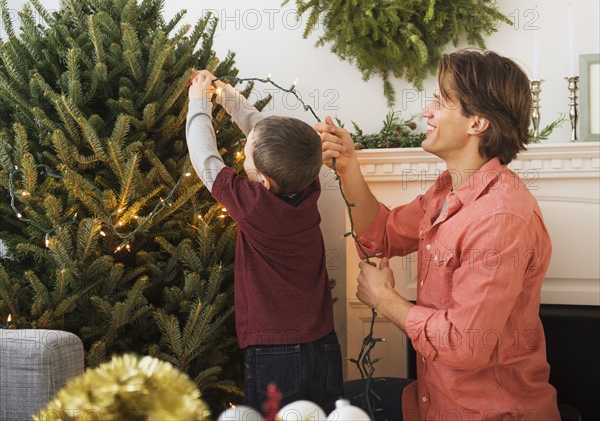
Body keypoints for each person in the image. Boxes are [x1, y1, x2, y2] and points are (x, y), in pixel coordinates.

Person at [316, 50, 560, 420]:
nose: (425, 112)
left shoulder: (501, 217)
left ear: (477, 122)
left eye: (441, 102)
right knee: (326, 404)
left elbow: (464, 345)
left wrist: (385, 299)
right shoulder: (447, 191)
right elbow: (381, 234)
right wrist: (348, 166)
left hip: (488, 413)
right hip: (431, 402)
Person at [185, 70, 344, 414]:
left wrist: (199, 102)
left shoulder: (254, 204)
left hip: (274, 353)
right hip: (324, 345)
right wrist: (225, 95)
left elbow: (206, 159)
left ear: (265, 181)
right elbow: (264, 131)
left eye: (246, 153)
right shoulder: (309, 185)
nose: (245, 150)